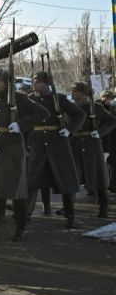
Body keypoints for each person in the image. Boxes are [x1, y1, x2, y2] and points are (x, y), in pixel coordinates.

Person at [0, 69, 49, 241]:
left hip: (12, 150)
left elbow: (43, 114)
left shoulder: (19, 99)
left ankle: (21, 226)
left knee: (16, 191)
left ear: (5, 82)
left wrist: (21, 125)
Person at [26, 71, 84, 228]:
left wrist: (69, 130)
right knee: (31, 181)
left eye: (38, 82)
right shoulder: (30, 100)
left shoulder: (59, 99)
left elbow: (79, 115)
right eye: (35, 81)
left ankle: (70, 216)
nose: (35, 84)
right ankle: (25, 216)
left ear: (47, 83)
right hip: (37, 143)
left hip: (57, 143)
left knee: (66, 180)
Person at [69, 82, 116, 218]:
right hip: (74, 144)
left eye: (75, 91)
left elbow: (111, 120)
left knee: (98, 177)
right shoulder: (70, 108)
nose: (73, 94)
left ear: (83, 93)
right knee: (72, 177)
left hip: (91, 143)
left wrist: (100, 132)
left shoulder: (95, 108)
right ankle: (68, 208)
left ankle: (103, 207)